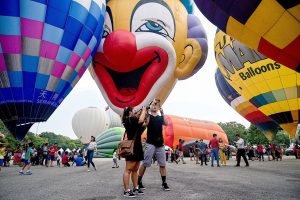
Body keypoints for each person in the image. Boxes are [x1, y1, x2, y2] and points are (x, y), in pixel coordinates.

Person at [138, 99, 170, 191]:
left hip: (160, 144)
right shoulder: (149, 116)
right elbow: (145, 123)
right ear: (150, 106)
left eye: (156, 104)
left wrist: (163, 113)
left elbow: (166, 123)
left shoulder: (160, 118)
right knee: (146, 163)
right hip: (150, 143)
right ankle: (139, 181)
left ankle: (164, 183)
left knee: (162, 164)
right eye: (153, 104)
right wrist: (147, 110)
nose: (155, 105)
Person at [122, 106, 147, 197]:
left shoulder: (133, 121)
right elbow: (140, 121)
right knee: (128, 170)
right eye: (134, 110)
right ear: (129, 112)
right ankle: (126, 190)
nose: (136, 111)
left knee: (135, 170)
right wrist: (143, 110)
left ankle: (136, 187)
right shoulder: (129, 119)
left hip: (137, 147)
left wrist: (146, 115)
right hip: (132, 147)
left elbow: (143, 124)